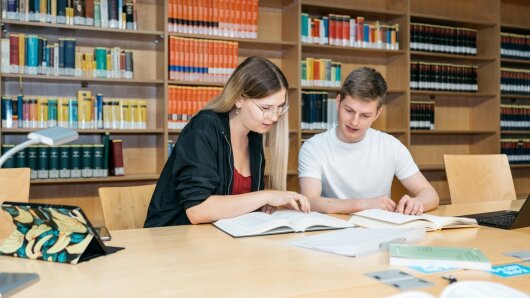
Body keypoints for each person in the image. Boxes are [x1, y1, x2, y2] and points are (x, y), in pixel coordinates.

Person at [145, 56, 310, 227]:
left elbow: (240, 202)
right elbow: (197, 210)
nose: (274, 117)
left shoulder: (254, 135)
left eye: (280, 107)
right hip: (173, 239)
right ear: (239, 99)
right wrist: (266, 196)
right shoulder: (204, 128)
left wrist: (261, 204)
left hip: (218, 239)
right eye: (266, 108)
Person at [298, 67, 439, 216]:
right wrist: (364, 204)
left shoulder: (391, 146)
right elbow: (311, 201)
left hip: (379, 230)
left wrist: (417, 203)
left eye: (365, 115)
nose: (354, 121)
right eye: (349, 110)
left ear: (377, 114)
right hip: (335, 230)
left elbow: (430, 194)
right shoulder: (313, 147)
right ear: (338, 102)